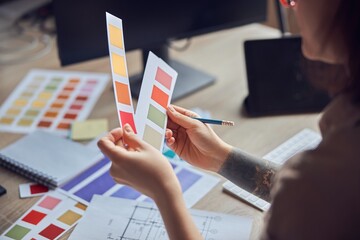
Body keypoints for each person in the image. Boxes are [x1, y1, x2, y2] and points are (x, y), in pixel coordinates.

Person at [98, 0, 360, 239]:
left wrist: (164, 191)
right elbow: (310, 200)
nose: (289, 4)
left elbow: (312, 194)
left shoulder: (331, 173)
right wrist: (220, 156)